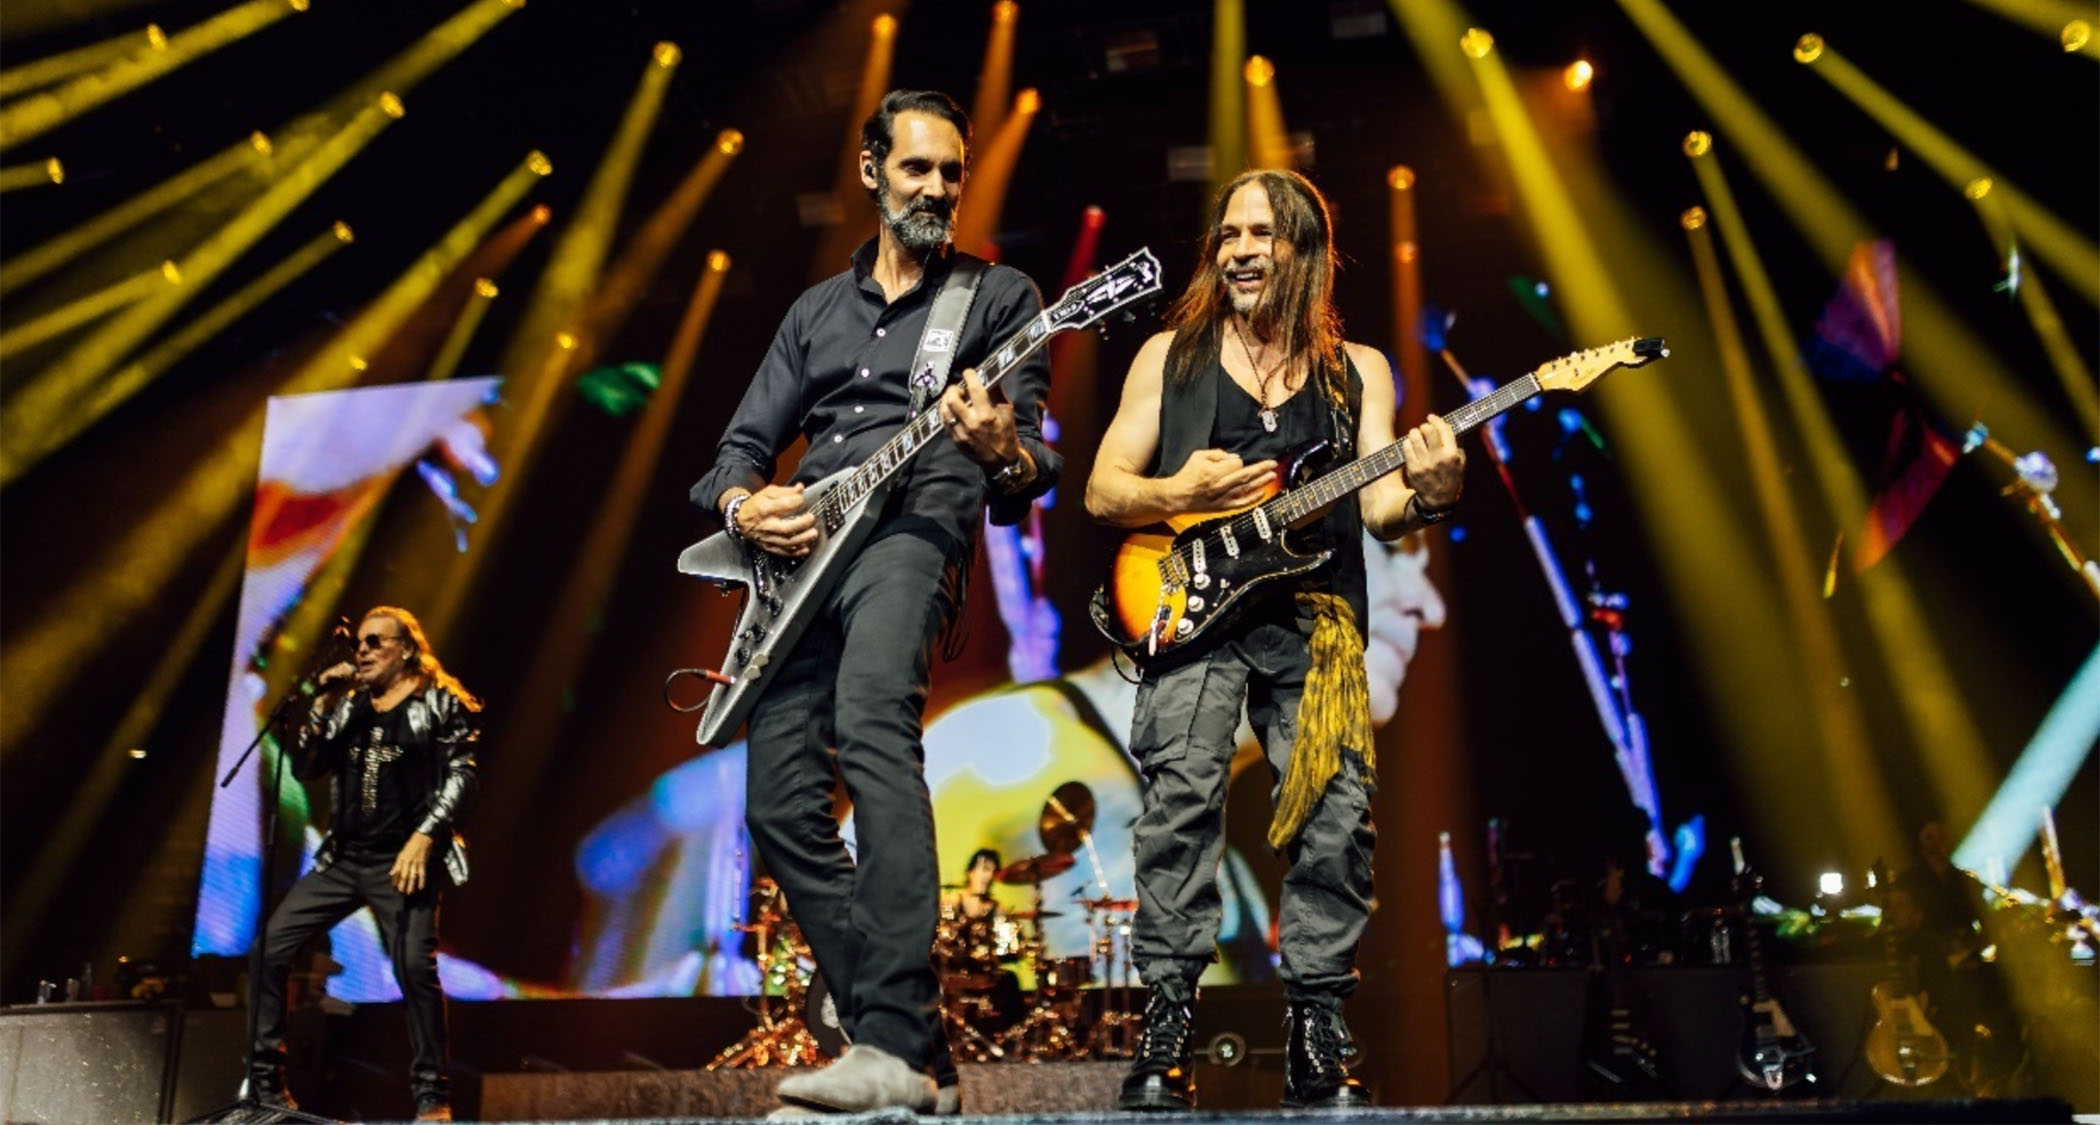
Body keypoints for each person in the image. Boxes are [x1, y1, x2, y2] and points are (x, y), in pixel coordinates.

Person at [686, 88, 1060, 1116]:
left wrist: (1001, 449)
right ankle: (914, 1050)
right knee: (776, 806)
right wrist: (744, 503)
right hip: (804, 564)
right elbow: (736, 449)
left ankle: (886, 1038)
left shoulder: (998, 297)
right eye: (917, 169)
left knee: (873, 730)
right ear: (871, 172)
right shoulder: (815, 312)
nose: (938, 188)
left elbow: (1031, 467)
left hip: (913, 535)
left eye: (951, 171)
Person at [1084, 168, 1465, 1111]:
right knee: (1178, 814)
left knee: (1337, 823)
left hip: (1315, 622)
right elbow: (1101, 489)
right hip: (1188, 614)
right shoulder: (1168, 357)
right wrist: (1180, 495)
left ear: (1306, 250)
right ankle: (1168, 1021)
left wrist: (1431, 490)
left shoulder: (1358, 370)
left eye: (1262, 234)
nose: (1241, 249)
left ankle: (1317, 1029)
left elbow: (1381, 504)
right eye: (1229, 234)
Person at [250, 606, 480, 1122]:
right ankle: (266, 1088)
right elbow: (308, 764)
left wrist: (426, 836)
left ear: (406, 649)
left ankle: (432, 1100)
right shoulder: (351, 704)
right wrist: (323, 700)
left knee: (414, 971)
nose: (364, 650)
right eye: (360, 642)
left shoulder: (438, 701)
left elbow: (462, 774)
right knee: (270, 949)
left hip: (403, 862)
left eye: (377, 642)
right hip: (343, 858)